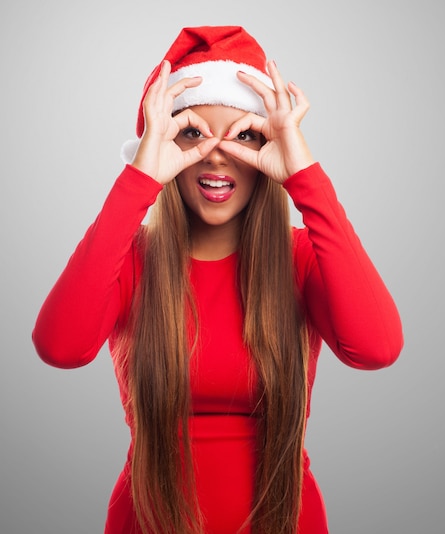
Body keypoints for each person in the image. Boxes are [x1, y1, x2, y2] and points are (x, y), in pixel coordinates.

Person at [32, 25, 403, 534]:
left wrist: (303, 176)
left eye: (245, 135)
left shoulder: (299, 258)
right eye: (191, 133)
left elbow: (377, 348)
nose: (216, 154)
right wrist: (139, 181)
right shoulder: (132, 258)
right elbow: (59, 346)